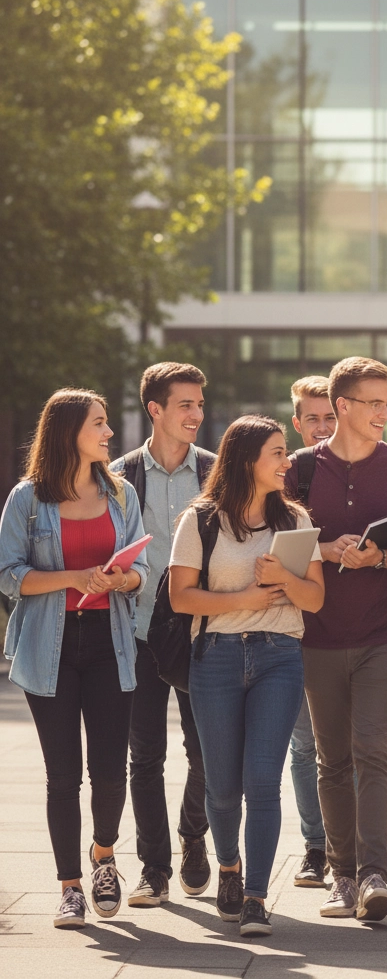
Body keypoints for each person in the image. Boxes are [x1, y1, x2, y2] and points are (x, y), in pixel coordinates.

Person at [284, 356, 387, 922]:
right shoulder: (298, 470)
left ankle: (373, 876)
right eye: (374, 403)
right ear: (341, 406)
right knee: (332, 760)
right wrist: (325, 550)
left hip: (382, 635)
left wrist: (380, 558)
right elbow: (274, 546)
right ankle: (341, 875)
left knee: (373, 750)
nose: (384, 413)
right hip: (314, 635)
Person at [169, 415, 325, 937]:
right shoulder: (200, 520)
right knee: (221, 786)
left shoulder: (295, 518)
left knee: (262, 781)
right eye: (277, 453)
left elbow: (315, 599)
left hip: (279, 657)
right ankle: (229, 867)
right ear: (246, 460)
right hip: (215, 656)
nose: (287, 462)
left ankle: (256, 896)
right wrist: (244, 599)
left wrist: (283, 578)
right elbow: (181, 597)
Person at [0, 389, 149, 928]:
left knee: (109, 773)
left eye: (107, 423)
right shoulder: (27, 499)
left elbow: (142, 572)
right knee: (62, 776)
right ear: (69, 432)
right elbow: (8, 575)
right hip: (49, 647)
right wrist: (73, 578)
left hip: (111, 643)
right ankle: (69, 887)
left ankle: (103, 855)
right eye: (99, 424)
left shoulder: (121, 494)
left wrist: (122, 578)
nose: (109, 433)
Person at [109, 362, 215, 908]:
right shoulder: (119, 476)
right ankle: (154, 868)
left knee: (207, 753)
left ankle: (193, 834)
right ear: (155, 409)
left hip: (201, 634)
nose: (196, 414)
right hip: (137, 634)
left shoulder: (217, 473)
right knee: (145, 756)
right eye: (185, 405)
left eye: (200, 404)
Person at [285, 376, 336, 889]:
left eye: (330, 418)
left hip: (352, 628)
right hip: (296, 629)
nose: (322, 428)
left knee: (352, 747)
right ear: (297, 423)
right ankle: (315, 846)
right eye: (312, 419)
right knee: (303, 746)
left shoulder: (363, 468)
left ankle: (351, 845)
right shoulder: (289, 474)